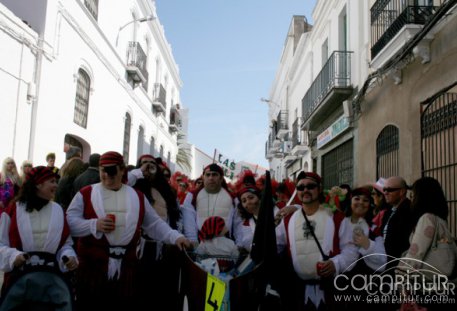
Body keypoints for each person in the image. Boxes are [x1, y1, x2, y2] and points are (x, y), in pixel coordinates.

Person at [66, 151, 190, 309]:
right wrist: (94, 225)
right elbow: (70, 222)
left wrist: (175, 237)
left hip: (126, 269)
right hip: (93, 269)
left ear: (122, 170)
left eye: (111, 170)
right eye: (103, 170)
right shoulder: (85, 193)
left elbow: (154, 224)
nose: (106, 175)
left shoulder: (137, 196)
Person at [276, 171, 358, 310]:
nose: (305, 190)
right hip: (298, 292)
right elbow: (275, 245)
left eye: (310, 186)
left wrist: (335, 264)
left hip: (331, 291)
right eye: (301, 188)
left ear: (319, 189)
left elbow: (351, 250)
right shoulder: (288, 219)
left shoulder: (336, 217)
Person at [0, 166, 78, 302]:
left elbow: (65, 244)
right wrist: (14, 256)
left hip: (51, 282)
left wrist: (68, 256)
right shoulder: (13, 210)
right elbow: (1, 244)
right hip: (19, 281)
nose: (56, 185)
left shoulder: (58, 210)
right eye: (52, 181)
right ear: (38, 184)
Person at [396, 177, 455, 311]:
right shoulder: (441, 220)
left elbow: (415, 254)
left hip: (427, 290)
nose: (411, 198)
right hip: (445, 287)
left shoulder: (426, 219)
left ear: (421, 196)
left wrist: (402, 283)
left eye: (413, 194)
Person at [132, 154, 182, 310]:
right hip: (139, 247)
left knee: (161, 289)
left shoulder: (167, 190)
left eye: (152, 163)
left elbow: (175, 215)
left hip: (163, 246)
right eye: (144, 163)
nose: (148, 165)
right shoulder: (132, 187)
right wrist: (139, 172)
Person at [336, 187, 387, 310]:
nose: (361, 203)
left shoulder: (374, 228)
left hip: (365, 287)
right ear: (350, 201)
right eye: (357, 198)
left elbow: (383, 262)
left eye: (365, 200)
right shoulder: (338, 223)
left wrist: (367, 245)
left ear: (369, 204)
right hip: (339, 285)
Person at [182, 163, 236, 243]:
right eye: (208, 175)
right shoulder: (192, 196)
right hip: (201, 243)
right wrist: (193, 241)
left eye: (214, 175)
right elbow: (189, 220)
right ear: (203, 178)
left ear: (221, 178)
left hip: (226, 244)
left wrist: (239, 244)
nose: (211, 178)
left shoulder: (232, 197)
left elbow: (237, 223)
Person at [381, 176, 414, 270]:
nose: (385, 193)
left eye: (390, 190)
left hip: (399, 266)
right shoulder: (388, 211)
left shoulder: (410, 211)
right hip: (385, 264)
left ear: (402, 191)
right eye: (384, 189)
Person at [233, 183, 261, 252]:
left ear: (260, 198)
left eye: (251, 198)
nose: (248, 202)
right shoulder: (245, 224)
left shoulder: (276, 213)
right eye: (244, 201)